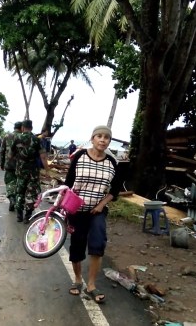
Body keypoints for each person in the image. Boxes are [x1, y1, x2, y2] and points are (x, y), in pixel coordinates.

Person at [65, 125, 122, 304]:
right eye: (99, 136)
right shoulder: (79, 157)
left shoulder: (112, 163)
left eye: (107, 137)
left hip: (97, 211)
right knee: (77, 246)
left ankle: (91, 284)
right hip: (76, 210)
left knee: (97, 244)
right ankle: (77, 279)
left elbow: (116, 189)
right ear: (92, 138)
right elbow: (68, 183)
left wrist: (102, 204)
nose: (103, 140)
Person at [11, 119, 49, 223]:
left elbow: (11, 155)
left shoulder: (17, 138)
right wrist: (47, 171)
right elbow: (43, 157)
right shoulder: (37, 140)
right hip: (33, 172)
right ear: (31, 128)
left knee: (19, 192)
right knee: (31, 194)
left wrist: (16, 163)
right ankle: (27, 216)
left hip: (20, 171)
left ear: (23, 127)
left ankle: (19, 214)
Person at [0, 122, 22, 212]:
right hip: (20, 165)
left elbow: (2, 150)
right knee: (18, 183)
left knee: (9, 182)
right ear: (21, 128)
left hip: (9, 164)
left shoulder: (6, 136)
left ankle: (11, 198)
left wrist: (1, 163)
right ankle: (18, 201)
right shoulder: (22, 137)